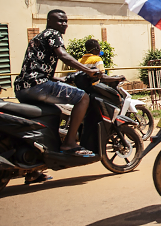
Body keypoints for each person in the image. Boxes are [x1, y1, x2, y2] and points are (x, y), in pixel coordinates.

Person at [14, 9, 101, 157]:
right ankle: (70, 143)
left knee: (52, 113)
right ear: (49, 22)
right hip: (38, 86)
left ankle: (37, 163)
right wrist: (86, 70)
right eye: (60, 21)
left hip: (22, 88)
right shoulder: (53, 34)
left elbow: (34, 67)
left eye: (66, 21)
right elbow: (63, 55)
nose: (64, 24)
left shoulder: (38, 38)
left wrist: (57, 79)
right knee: (83, 98)